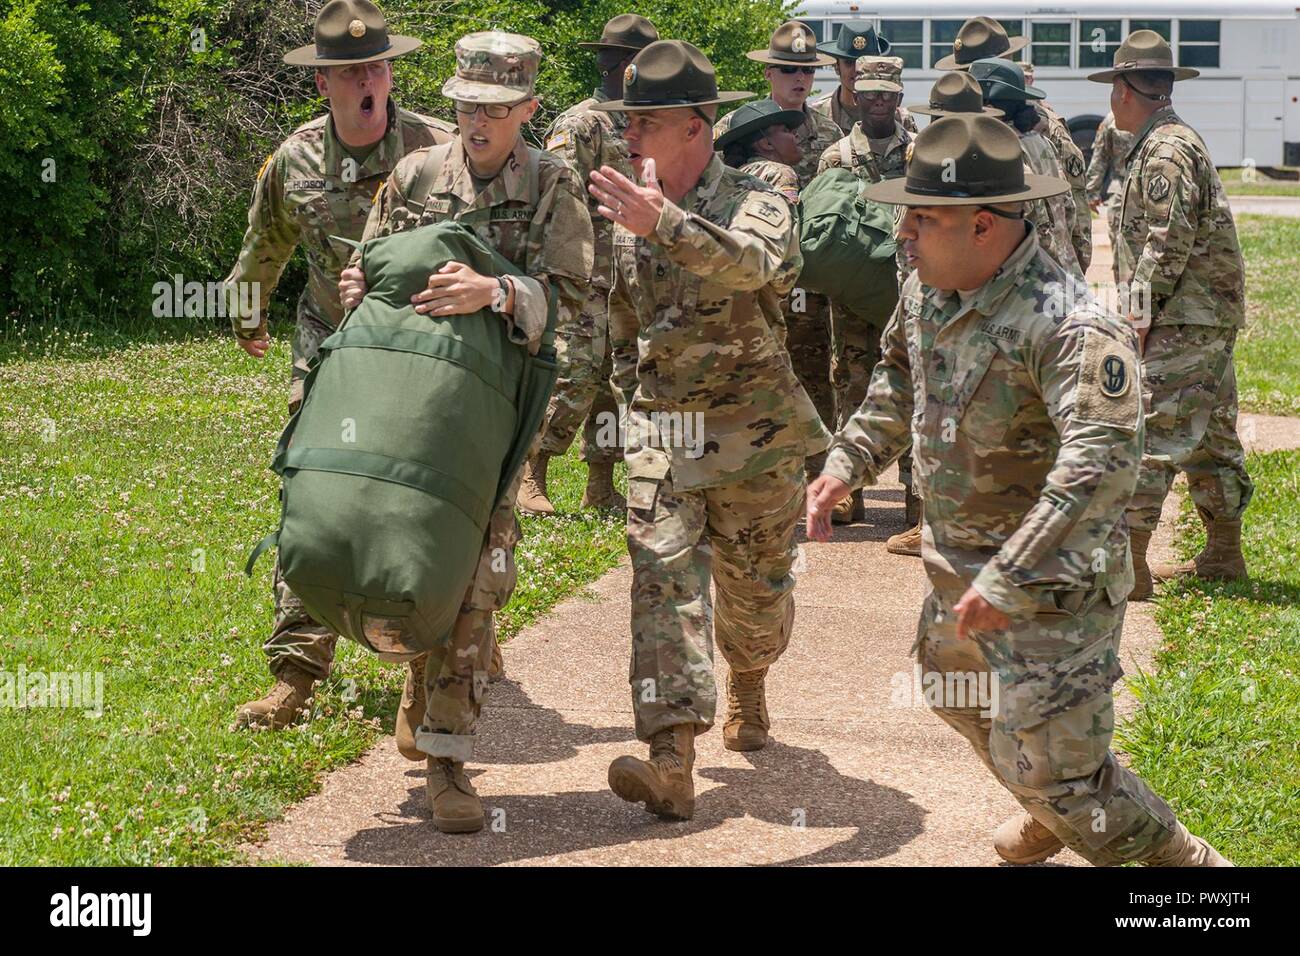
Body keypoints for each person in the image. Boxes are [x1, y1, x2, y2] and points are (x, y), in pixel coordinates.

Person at [806, 113, 1230, 867]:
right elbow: (899, 378)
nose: (902, 233)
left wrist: (1013, 573)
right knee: (952, 691)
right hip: (959, 569)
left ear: (983, 225)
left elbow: (1098, 462)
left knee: (1071, 785)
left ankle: (1189, 873)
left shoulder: (1069, 324)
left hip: (1048, 589)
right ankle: (1050, 800)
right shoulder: (928, 287)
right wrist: (848, 461)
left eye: (922, 218)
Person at [337, 31, 593, 832]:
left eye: (492, 109)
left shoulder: (554, 185)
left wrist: (502, 292)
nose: (474, 122)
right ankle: (417, 678)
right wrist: (358, 281)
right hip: (409, 401)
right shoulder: (414, 175)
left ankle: (446, 761)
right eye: (463, 106)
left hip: (495, 411)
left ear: (527, 108)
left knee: (479, 576)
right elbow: (373, 268)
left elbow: (578, 304)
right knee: (408, 550)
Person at [586, 40, 831, 819]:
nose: (629, 134)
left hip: (754, 434)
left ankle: (750, 679)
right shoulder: (629, 216)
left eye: (647, 121)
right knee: (660, 580)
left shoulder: (754, 197)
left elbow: (756, 265)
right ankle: (671, 756)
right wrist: (632, 413)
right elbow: (623, 327)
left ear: (695, 126)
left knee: (754, 601)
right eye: (627, 119)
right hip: (667, 433)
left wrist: (665, 224)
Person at [227, 0, 454, 730]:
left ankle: (430, 662)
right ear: (321, 84)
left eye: (378, 65)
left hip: (422, 348)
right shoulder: (294, 158)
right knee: (314, 491)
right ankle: (295, 672)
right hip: (330, 341)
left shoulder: (438, 152)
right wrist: (248, 309)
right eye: (350, 69)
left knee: (421, 502)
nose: (368, 79)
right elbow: (266, 241)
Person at [1088, 30, 1252, 599]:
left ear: (1127, 91)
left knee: (1151, 428)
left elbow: (1167, 240)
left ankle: (1131, 563)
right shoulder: (1158, 141)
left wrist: (1138, 311)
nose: (1112, 100)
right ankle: (1224, 552)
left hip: (1185, 314)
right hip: (1199, 313)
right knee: (1210, 435)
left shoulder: (1165, 150)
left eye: (1115, 87)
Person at [519, 14, 659, 515]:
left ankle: (599, 483)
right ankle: (531, 472)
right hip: (585, 275)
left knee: (613, 381)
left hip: (631, 277)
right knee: (571, 376)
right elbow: (554, 196)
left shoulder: (644, 122)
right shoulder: (583, 123)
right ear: (620, 65)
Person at [714, 20, 842, 480]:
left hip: (812, 274)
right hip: (751, 273)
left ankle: (825, 475)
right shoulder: (735, 126)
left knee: (817, 372)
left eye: (806, 70)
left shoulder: (830, 134)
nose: (799, 79)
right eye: (788, 69)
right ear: (769, 73)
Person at [813, 55, 912, 527]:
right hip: (852, 297)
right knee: (850, 385)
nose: (877, 101)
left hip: (907, 289)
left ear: (898, 97)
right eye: (869, 92)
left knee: (915, 384)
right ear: (856, 96)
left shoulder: (919, 153)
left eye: (886, 94)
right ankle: (847, 490)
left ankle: (918, 492)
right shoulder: (836, 156)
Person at [935, 17, 1091, 273]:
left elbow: (1073, 199)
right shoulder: (958, 124)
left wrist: (1077, 264)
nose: (966, 83)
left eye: (972, 73)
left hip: (1040, 278)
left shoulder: (1043, 124)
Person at [971, 58, 1082, 278]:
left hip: (1035, 280)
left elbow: (1030, 218)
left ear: (989, 106)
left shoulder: (1002, 149)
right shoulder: (1041, 141)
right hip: (1063, 271)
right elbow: (1069, 208)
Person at [809, 20, 916, 137]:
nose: (857, 70)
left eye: (864, 63)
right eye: (849, 63)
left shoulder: (900, 118)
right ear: (836, 67)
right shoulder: (816, 116)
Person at [715, 99, 804, 204]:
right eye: (785, 130)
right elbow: (789, 218)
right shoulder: (780, 173)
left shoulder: (733, 174)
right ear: (767, 143)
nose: (795, 134)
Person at [1086, 111, 1134, 253]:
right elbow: (1100, 157)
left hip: (1148, 190)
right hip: (1121, 187)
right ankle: (1120, 275)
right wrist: (1091, 193)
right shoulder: (1112, 120)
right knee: (1118, 239)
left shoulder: (1152, 114)